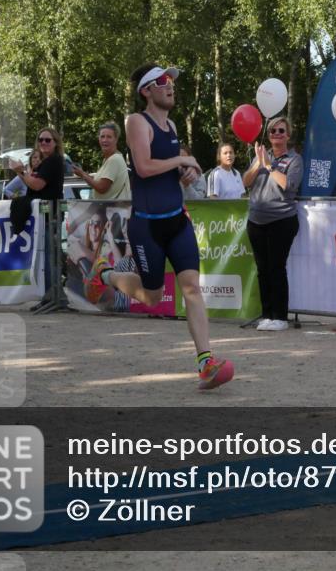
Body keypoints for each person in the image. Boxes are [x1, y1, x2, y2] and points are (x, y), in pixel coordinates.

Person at [86, 63, 234, 390]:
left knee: (192, 287)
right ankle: (105, 275)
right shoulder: (136, 121)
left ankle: (205, 362)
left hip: (177, 221)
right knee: (152, 298)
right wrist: (181, 161)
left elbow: (166, 172)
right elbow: (143, 166)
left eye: (172, 82)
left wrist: (185, 175)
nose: (171, 86)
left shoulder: (172, 125)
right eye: (163, 81)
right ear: (147, 90)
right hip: (147, 227)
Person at [243, 115, 304, 332]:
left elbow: (289, 185)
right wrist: (259, 163)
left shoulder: (294, 159)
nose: (276, 134)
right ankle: (267, 315)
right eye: (272, 131)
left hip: (282, 220)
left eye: (280, 131)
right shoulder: (261, 156)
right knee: (262, 269)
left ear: (287, 135)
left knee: (276, 268)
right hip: (256, 221)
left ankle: (280, 316)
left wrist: (269, 167)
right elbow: (246, 182)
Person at [9, 128, 65, 299]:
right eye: (41, 140)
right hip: (44, 215)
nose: (43, 143)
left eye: (48, 140)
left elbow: (37, 185)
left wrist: (20, 171)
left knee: (50, 256)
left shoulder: (53, 161)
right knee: (46, 256)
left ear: (55, 143)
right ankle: (51, 295)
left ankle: (54, 296)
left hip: (50, 214)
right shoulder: (47, 162)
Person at [73, 121, 131, 201]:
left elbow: (101, 188)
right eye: (102, 136)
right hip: (109, 210)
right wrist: (82, 173)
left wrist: (83, 174)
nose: (104, 140)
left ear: (116, 139)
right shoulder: (109, 159)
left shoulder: (114, 159)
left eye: (109, 137)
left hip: (111, 210)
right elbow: (99, 181)